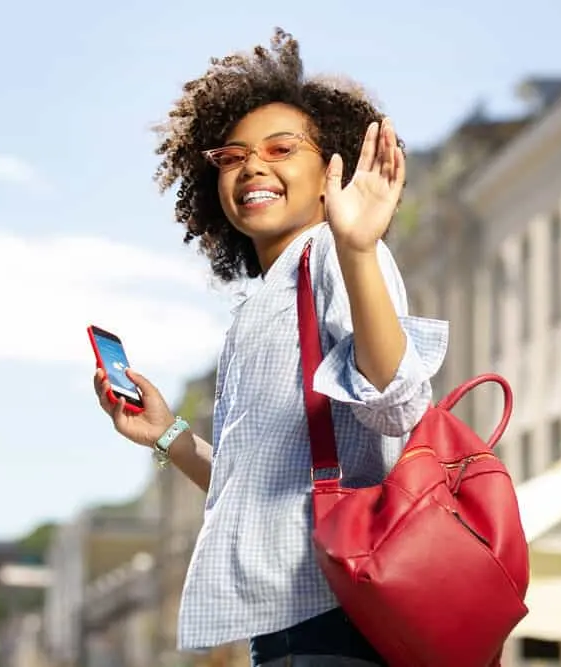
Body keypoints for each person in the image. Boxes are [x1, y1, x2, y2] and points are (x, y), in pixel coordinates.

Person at [92, 29, 448, 667]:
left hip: (339, 622)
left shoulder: (335, 257)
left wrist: (359, 247)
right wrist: (167, 434)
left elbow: (397, 402)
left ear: (329, 172)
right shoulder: (268, 301)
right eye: (232, 156)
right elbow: (255, 486)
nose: (253, 166)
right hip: (292, 630)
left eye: (282, 148)